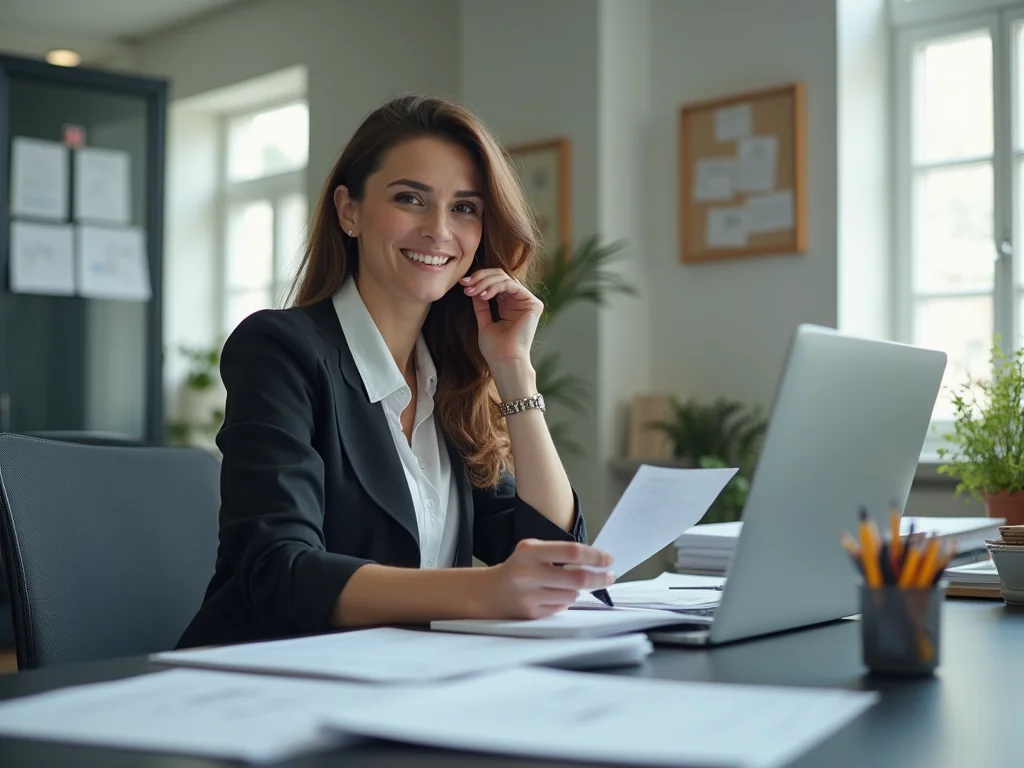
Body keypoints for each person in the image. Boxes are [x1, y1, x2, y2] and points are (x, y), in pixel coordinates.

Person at [176, 95, 614, 649]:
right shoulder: (281, 350)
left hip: (404, 683)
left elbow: (549, 553)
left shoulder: (450, 379)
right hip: (264, 684)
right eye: (411, 199)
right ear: (349, 211)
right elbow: (278, 569)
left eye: (464, 208)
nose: (438, 230)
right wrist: (482, 593)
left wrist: (514, 372)